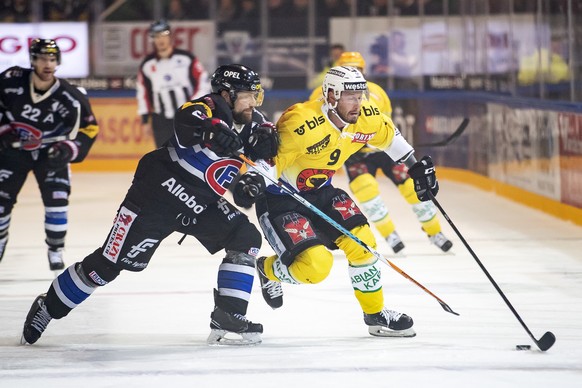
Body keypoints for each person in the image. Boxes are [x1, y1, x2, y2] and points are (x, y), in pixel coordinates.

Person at [21, 64, 280, 346]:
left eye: (257, 96)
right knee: (107, 266)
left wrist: (253, 180)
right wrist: (210, 128)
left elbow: (261, 166)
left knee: (245, 237)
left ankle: (229, 314)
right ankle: (49, 307)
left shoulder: (255, 125)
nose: (254, 103)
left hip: (199, 204)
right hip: (156, 194)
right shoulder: (208, 107)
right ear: (227, 94)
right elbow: (186, 119)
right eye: (248, 95)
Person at [252, 65, 440, 337]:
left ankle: (375, 315)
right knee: (316, 268)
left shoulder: (365, 116)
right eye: (350, 96)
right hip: (282, 200)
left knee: (364, 244)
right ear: (330, 95)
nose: (358, 102)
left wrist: (414, 167)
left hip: (322, 192)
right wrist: (256, 181)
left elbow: (390, 137)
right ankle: (267, 268)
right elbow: (271, 163)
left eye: (360, 94)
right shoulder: (301, 121)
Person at [309, 52, 452, 253]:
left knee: (412, 187)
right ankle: (389, 234)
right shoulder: (321, 94)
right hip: (353, 153)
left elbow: (386, 126)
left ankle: (434, 231)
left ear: (364, 71)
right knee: (366, 190)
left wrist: (390, 143)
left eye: (358, 70)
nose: (355, 75)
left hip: (381, 150)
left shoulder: (376, 93)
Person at [0, 38, 99, 271]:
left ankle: (56, 248)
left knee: (57, 201)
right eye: (43, 58)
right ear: (33, 60)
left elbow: (89, 128)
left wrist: (68, 149)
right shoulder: (10, 81)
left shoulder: (70, 95)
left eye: (52, 59)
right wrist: (4, 132)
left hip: (50, 154)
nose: (48, 64)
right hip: (15, 152)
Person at [137, 19, 212, 148]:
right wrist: (145, 120)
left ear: (170, 36)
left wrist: (193, 105)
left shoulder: (186, 58)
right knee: (164, 156)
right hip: (161, 120)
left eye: (163, 35)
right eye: (156, 36)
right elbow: (143, 93)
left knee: (193, 152)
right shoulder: (147, 65)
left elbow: (203, 81)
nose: (160, 39)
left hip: (187, 116)